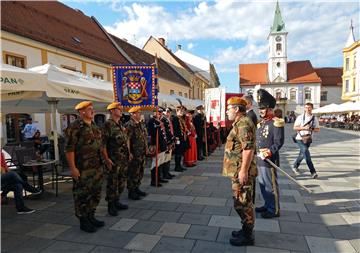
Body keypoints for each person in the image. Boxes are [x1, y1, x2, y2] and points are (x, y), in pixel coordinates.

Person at [65, 101, 105, 233]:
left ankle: (91, 216)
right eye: (89, 109)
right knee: (82, 195)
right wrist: (73, 168)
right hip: (83, 168)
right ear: (81, 112)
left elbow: (100, 146)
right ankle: (83, 220)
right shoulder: (75, 127)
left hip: (97, 168)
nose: (92, 111)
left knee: (95, 193)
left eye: (92, 109)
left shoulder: (94, 126)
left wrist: (105, 160)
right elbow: (69, 149)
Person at [222, 97, 257, 246]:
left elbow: (248, 149)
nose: (226, 111)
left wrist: (243, 171)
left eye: (228, 108)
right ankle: (245, 229)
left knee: (243, 202)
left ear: (236, 110)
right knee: (241, 201)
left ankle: (248, 235)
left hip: (240, 171)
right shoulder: (240, 122)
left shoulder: (243, 124)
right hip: (237, 170)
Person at [255, 89, 284, 219]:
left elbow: (278, 142)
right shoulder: (261, 123)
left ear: (270, 109)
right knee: (262, 184)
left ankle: (274, 209)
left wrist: (268, 152)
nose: (260, 111)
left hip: (269, 159)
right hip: (260, 158)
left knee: (270, 185)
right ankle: (267, 204)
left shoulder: (276, 122)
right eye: (260, 108)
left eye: (263, 108)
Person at [102, 102, 130, 217]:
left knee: (121, 181)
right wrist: (107, 159)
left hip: (122, 159)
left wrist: (129, 153)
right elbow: (102, 145)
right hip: (113, 160)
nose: (121, 110)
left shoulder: (120, 124)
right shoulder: (108, 125)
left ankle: (117, 201)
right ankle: (111, 205)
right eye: (119, 109)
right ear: (112, 111)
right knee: (112, 183)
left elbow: (125, 140)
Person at [292, 102, 320, 178]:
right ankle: (313, 172)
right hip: (300, 138)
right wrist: (304, 128)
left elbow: (318, 129)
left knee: (302, 154)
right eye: (306, 107)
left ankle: (295, 166)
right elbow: (295, 127)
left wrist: (311, 128)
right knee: (306, 154)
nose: (307, 109)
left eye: (309, 107)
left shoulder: (314, 118)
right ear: (304, 108)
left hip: (308, 139)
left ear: (312, 108)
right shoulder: (300, 117)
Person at [126, 106, 148, 200]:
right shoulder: (129, 125)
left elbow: (144, 137)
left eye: (139, 112)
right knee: (133, 172)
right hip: (134, 153)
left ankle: (137, 188)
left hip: (141, 152)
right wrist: (129, 152)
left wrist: (146, 147)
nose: (139, 114)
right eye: (138, 113)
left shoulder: (140, 124)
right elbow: (127, 140)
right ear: (132, 114)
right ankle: (131, 191)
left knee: (140, 171)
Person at [147, 107, 168, 187]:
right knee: (155, 163)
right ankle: (154, 180)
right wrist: (158, 126)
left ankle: (159, 178)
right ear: (154, 113)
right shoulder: (152, 121)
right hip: (156, 144)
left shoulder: (160, 121)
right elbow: (152, 132)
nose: (159, 114)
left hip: (162, 144)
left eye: (160, 113)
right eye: (158, 112)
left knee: (160, 162)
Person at [172, 105, 188, 172]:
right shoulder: (175, 118)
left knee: (181, 152)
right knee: (178, 153)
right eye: (180, 111)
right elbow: (175, 129)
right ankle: (177, 166)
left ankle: (179, 165)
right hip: (178, 138)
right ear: (177, 111)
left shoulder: (181, 118)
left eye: (182, 111)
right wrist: (176, 138)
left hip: (182, 137)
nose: (182, 112)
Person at [160, 107, 175, 179]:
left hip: (170, 141)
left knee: (168, 157)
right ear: (164, 112)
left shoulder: (168, 119)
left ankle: (167, 172)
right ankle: (165, 174)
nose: (168, 113)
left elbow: (171, 130)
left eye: (169, 112)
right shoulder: (163, 120)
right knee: (166, 158)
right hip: (167, 141)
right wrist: (169, 141)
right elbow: (166, 132)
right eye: (167, 112)